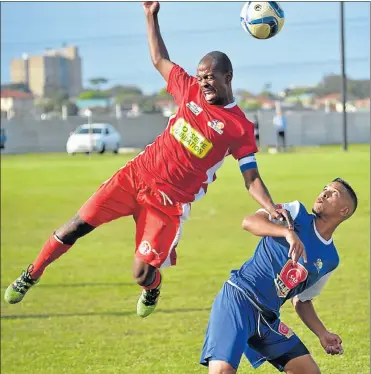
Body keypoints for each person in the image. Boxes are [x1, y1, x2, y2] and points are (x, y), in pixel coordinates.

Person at [4, 1, 292, 318]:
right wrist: (150, 16)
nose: (203, 82)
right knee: (76, 225)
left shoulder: (239, 126)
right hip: (135, 177)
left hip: (169, 204)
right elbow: (159, 59)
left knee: (141, 273)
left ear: (228, 77)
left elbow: (250, 177)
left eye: (210, 76)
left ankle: (152, 287)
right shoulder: (188, 90)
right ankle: (32, 273)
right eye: (200, 77)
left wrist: (270, 206)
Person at [200, 178, 358, 373]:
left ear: (344, 211)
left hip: (268, 318)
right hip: (239, 299)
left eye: (334, 193)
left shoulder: (330, 260)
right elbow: (249, 221)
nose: (324, 193)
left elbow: (303, 300)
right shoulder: (295, 213)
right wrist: (286, 232)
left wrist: (322, 333)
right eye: (325, 188)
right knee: (222, 371)